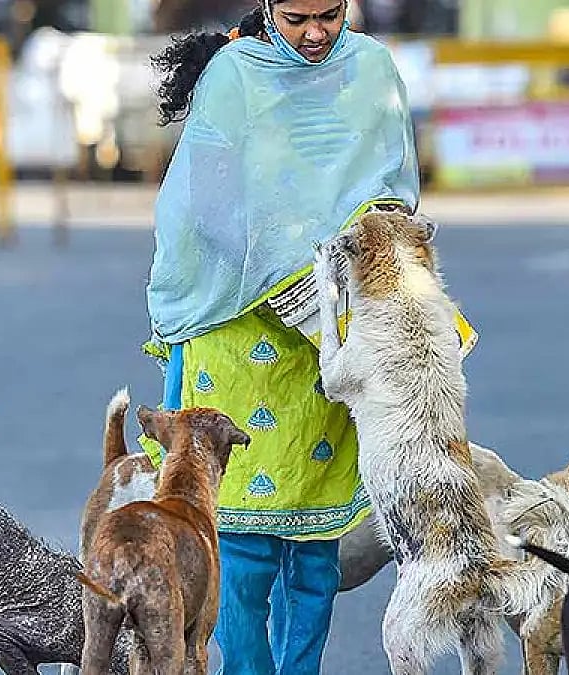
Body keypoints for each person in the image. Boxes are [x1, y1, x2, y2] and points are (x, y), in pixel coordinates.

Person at [140, 2, 429, 673]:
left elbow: (390, 191)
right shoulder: (235, 77)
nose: (315, 31)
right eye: (297, 16)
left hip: (323, 339)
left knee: (314, 552)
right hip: (237, 332)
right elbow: (206, 208)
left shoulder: (372, 71)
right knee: (239, 547)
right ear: (269, 6)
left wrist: (367, 249)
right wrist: (280, 265)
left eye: (330, 13)